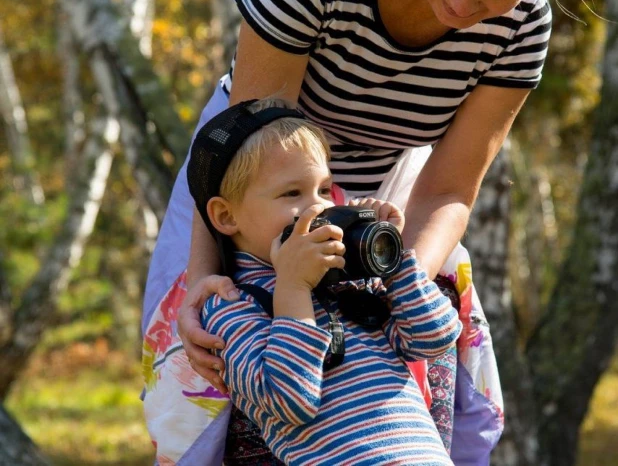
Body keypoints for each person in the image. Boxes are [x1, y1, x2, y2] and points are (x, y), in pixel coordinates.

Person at [141, 0, 571, 464]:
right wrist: (204, 287)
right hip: (253, 178)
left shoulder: (524, 22)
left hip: (389, 190)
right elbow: (252, 155)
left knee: (405, 382)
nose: (461, 5)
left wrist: (395, 281)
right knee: (206, 405)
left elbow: (450, 188)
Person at [186, 98, 462, 465]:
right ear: (226, 215)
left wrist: (386, 259)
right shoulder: (230, 305)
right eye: (292, 193)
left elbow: (435, 337)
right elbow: (290, 401)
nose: (318, 208)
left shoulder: (345, 277)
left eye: (323, 190)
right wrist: (293, 290)